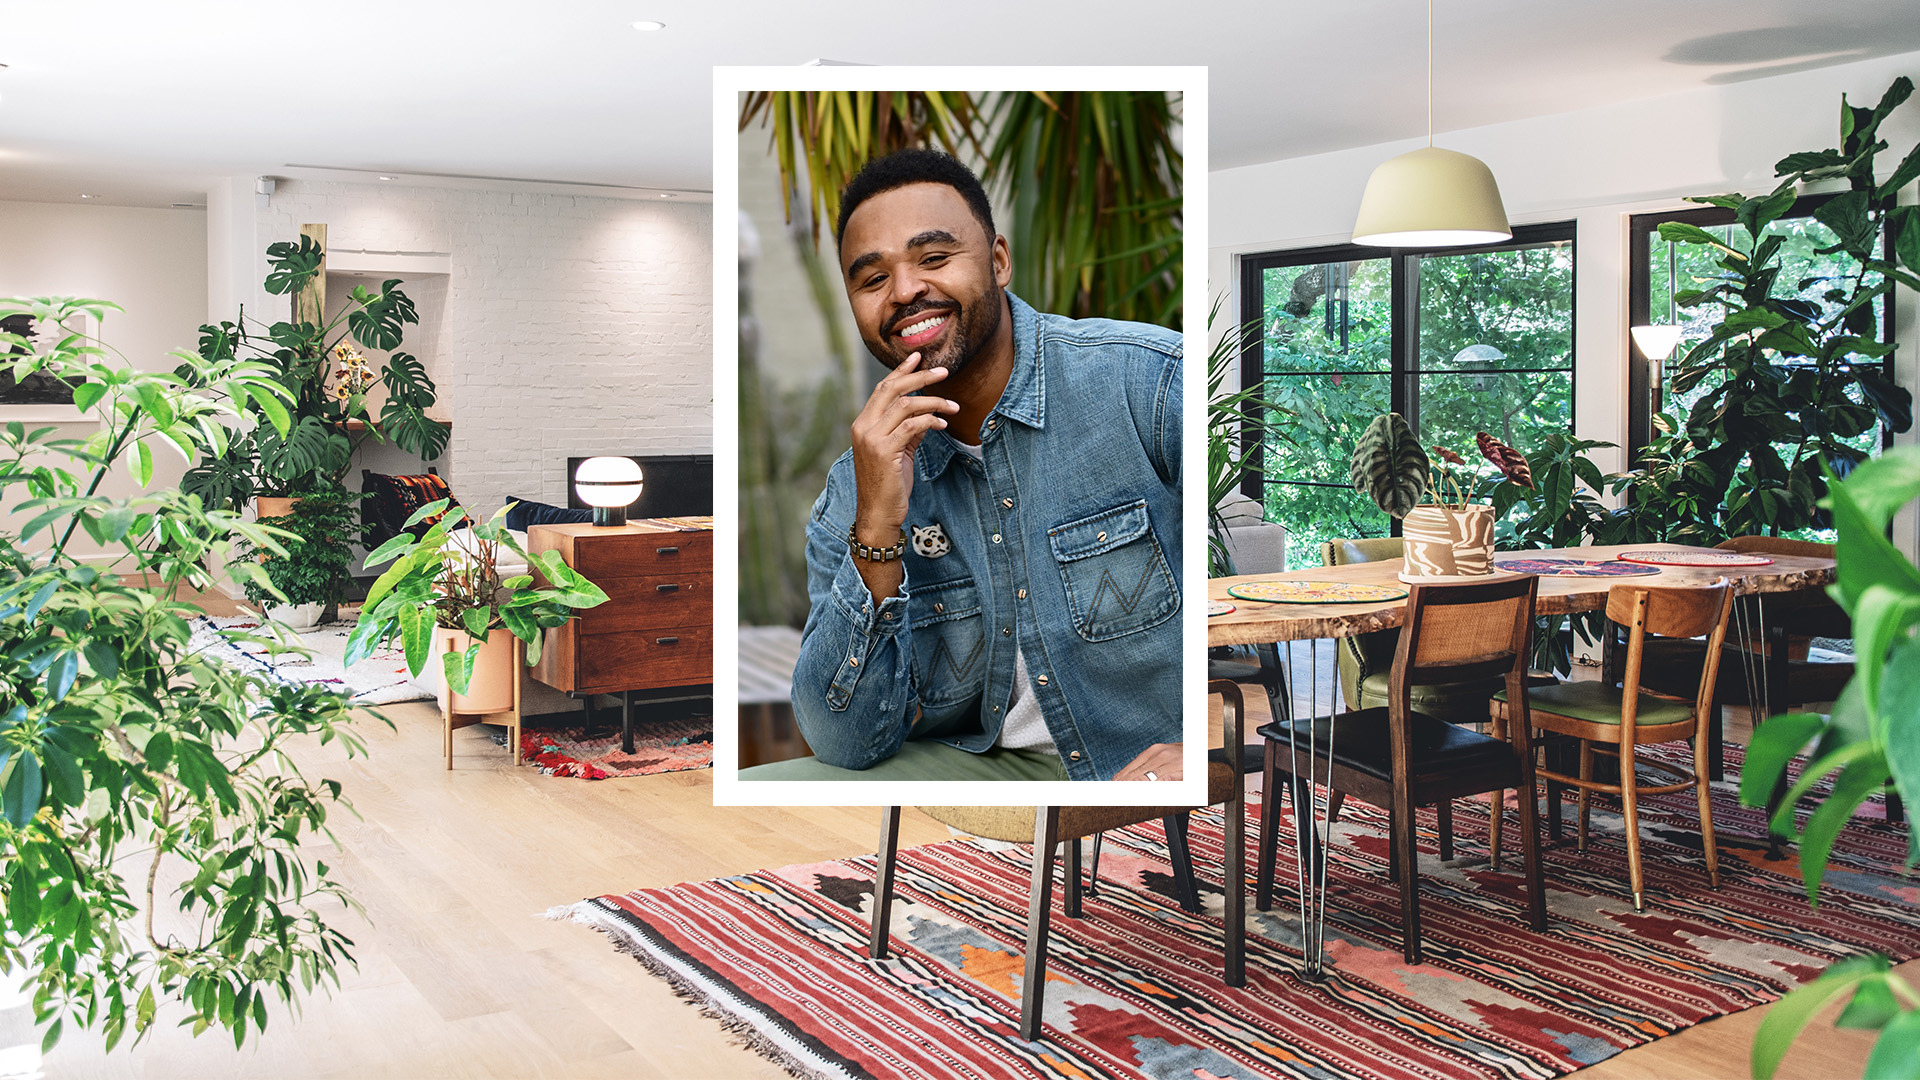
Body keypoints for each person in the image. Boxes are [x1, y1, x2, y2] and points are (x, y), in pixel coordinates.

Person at [743, 148, 1182, 783]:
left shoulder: (1146, 382)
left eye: (934, 258)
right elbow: (841, 739)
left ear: (998, 260)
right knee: (761, 785)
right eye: (871, 279)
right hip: (985, 758)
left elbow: (1253, 603)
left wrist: (1208, 738)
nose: (904, 291)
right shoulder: (854, 484)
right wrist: (877, 524)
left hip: (1133, 758)